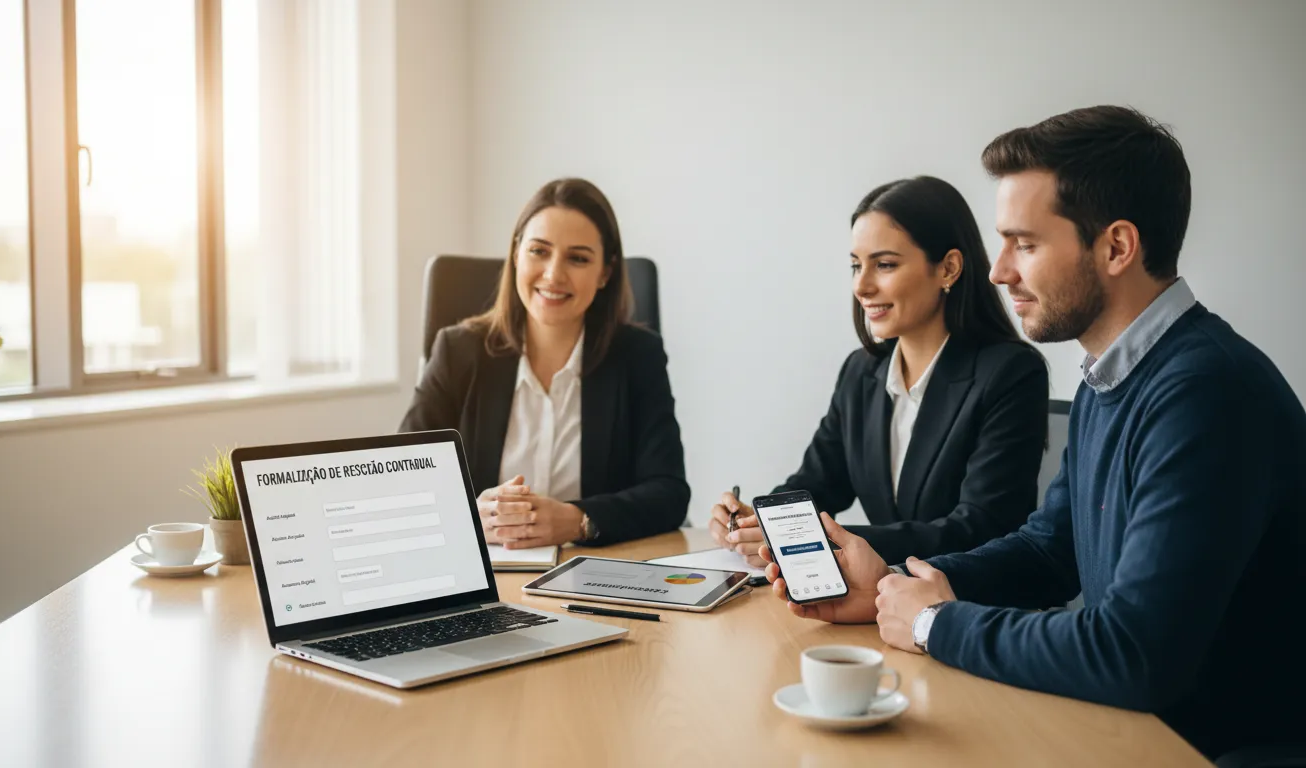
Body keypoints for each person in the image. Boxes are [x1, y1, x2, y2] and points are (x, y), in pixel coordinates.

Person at [761, 106, 1306, 760]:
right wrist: (888, 584)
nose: (997, 271)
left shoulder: (1206, 393)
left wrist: (935, 624)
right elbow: (1050, 552)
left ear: (1116, 247)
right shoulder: (1109, 379)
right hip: (1134, 733)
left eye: (1024, 243)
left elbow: (1133, 655)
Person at [709, 176, 1048, 567]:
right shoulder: (862, 372)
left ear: (948, 269)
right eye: (856, 266)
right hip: (881, 605)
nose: (862, 286)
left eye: (884, 264)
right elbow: (818, 485)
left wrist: (828, 539)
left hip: (968, 611)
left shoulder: (1010, 373)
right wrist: (755, 520)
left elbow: (979, 527)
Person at [399, 178, 690, 547]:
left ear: (605, 273)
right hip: (485, 577)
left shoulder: (637, 356)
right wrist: (470, 517)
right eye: (540, 251)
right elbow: (403, 483)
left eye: (578, 258)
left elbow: (669, 493)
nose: (554, 274)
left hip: (593, 579)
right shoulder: (458, 351)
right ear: (517, 254)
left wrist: (578, 520)